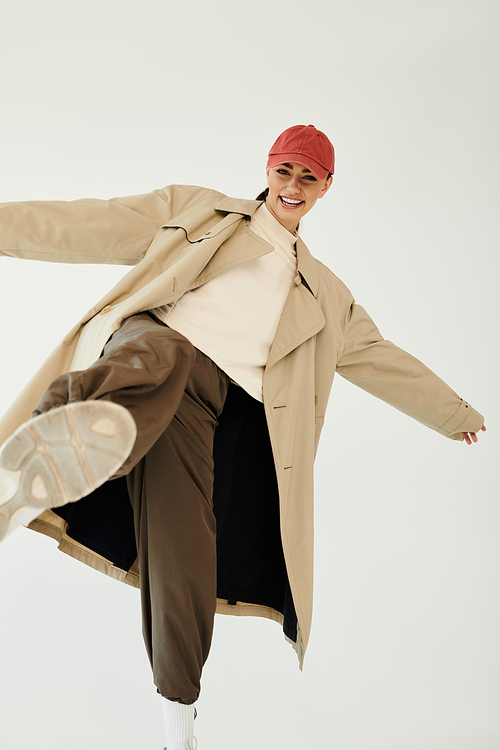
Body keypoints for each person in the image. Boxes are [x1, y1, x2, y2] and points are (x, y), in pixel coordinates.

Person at [0, 125, 486, 750]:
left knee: (186, 543)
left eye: (309, 176)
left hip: (211, 406)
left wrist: (457, 415)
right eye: (285, 170)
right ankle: (56, 441)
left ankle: (179, 708)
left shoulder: (329, 297)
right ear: (268, 168)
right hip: (158, 347)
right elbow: (88, 223)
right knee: (154, 362)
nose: (293, 185)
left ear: (326, 187)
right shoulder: (196, 211)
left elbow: (383, 359)